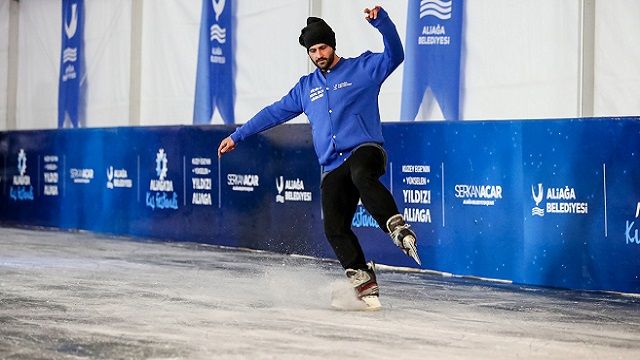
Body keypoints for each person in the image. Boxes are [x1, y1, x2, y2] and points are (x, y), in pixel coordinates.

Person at [218, 5, 419, 308]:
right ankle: (363, 278)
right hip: (332, 165)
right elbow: (274, 113)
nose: (318, 54)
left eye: (322, 47)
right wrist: (238, 135)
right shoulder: (306, 87)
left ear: (332, 45)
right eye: (313, 50)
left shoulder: (362, 69)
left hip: (365, 150)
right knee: (334, 228)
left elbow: (395, 55)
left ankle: (395, 225)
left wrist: (383, 23)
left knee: (361, 175)